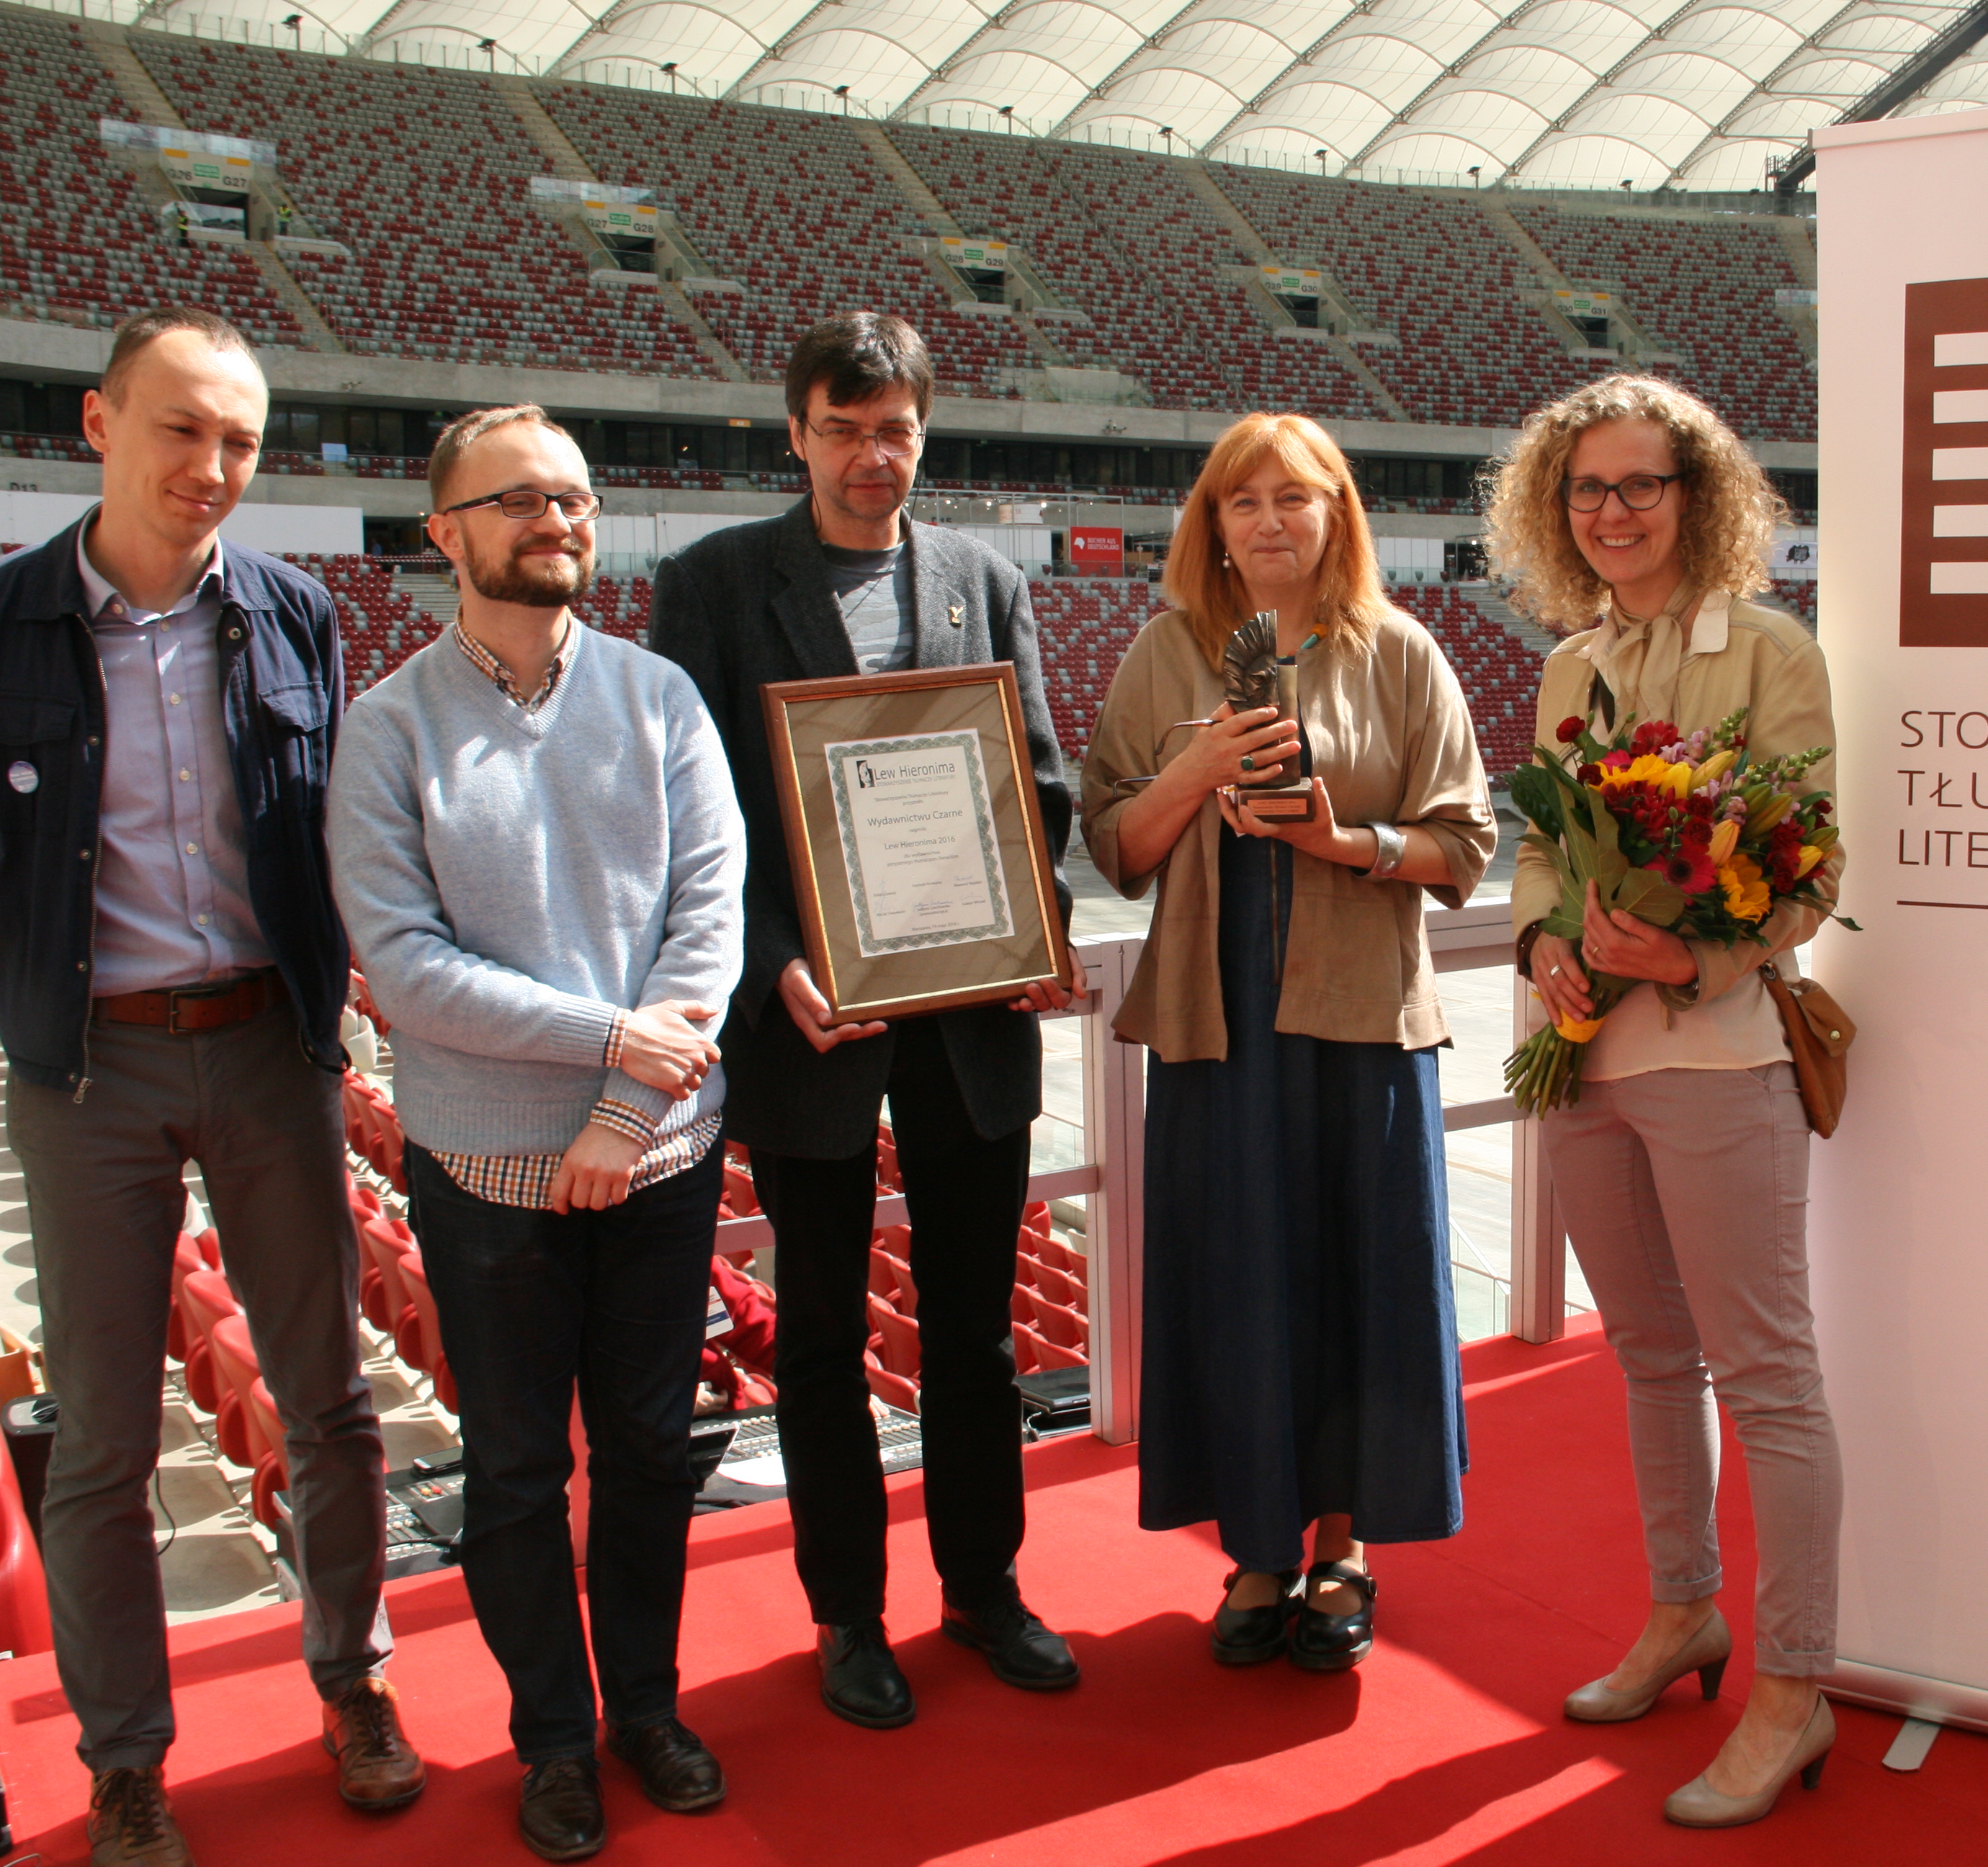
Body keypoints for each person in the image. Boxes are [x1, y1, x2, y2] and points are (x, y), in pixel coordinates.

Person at [0, 306, 416, 1867]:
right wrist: (56, 1022)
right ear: (98, 423)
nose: (212, 467)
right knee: (109, 1442)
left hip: (267, 1043)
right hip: (90, 1069)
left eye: (242, 441)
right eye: (180, 428)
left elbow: (317, 822)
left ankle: (356, 1685)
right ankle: (126, 1759)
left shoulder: (293, 614)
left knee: (329, 1403)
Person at [649, 311, 1083, 1729]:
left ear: (922, 433)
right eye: (841, 429)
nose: (869, 455)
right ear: (796, 433)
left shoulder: (978, 578)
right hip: (809, 1024)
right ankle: (848, 1616)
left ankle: (985, 1586)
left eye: (892, 428)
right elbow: (698, 819)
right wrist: (771, 956)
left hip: (964, 1020)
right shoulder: (714, 585)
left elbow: (1038, 773)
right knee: (825, 1343)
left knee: (974, 1336)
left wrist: (1030, 912)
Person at [329, 405, 745, 1863]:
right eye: (517, 500)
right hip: (486, 1171)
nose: (555, 519)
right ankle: (553, 1741)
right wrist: (610, 1042)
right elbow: (407, 965)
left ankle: (645, 1704)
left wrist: (627, 1108)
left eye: (572, 496)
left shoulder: (660, 699)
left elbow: (710, 925)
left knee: (644, 1447)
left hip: (657, 1161)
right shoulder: (387, 729)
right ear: (444, 532)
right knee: (514, 1471)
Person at [1078, 413, 1494, 1669]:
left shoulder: (1402, 652)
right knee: (1241, 1286)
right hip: (1216, 1027)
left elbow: (1464, 850)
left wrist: (1340, 840)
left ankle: (1344, 1545)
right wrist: (1195, 768)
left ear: (1335, 518)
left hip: (1360, 1021)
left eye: (1293, 498)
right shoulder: (1163, 655)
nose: (1266, 519)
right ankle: (1257, 1550)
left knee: (1360, 1280)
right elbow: (1112, 848)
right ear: (1209, 524)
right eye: (1239, 500)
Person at [1490, 374, 1845, 1828]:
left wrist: (1693, 949)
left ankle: (1797, 1683)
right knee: (1646, 1355)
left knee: (1766, 1377)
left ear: (1699, 498)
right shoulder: (1573, 667)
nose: (1613, 513)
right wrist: (1547, 945)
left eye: (1641, 486)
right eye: (1587, 492)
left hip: (1716, 1060)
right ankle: (1684, 1613)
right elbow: (1535, 858)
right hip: (1585, 1064)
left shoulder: (1771, 651)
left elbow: (1812, 865)